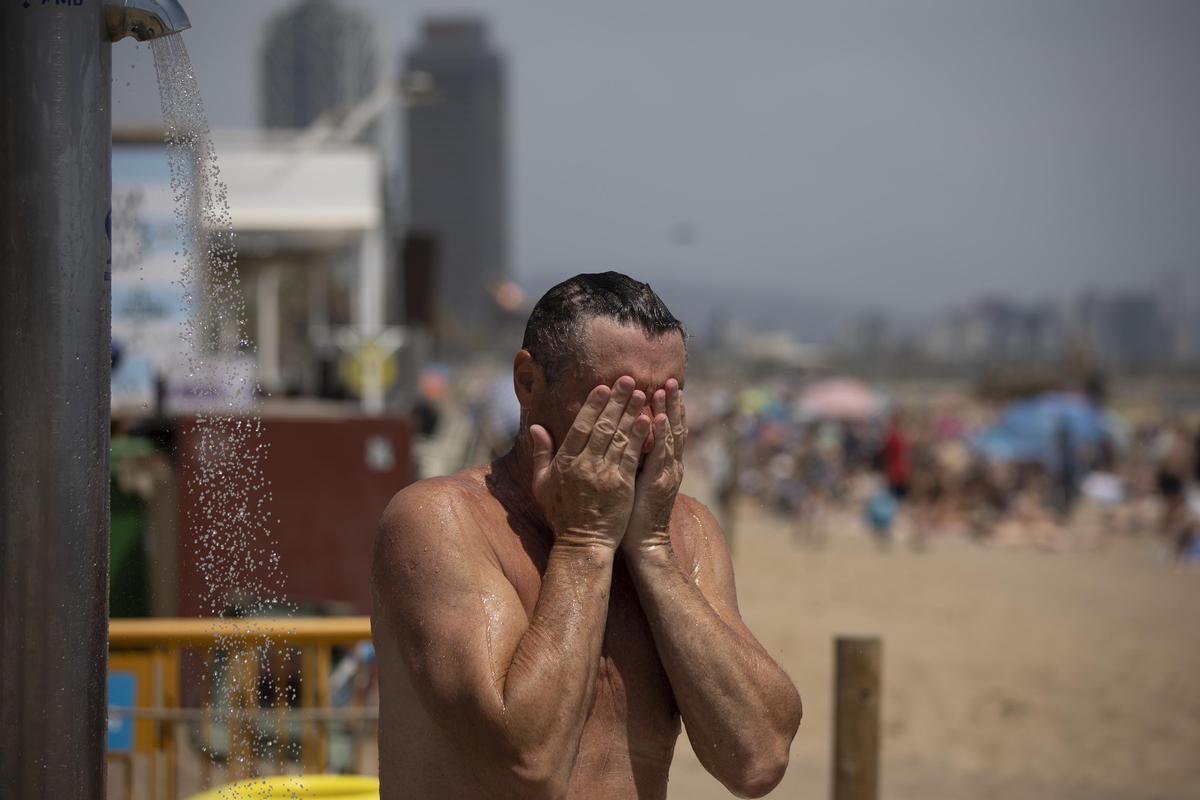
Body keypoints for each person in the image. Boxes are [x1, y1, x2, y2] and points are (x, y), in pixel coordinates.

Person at [371, 273, 802, 799]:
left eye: (665, 401)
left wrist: (652, 553)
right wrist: (585, 544)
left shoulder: (685, 531)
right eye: (615, 401)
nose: (641, 427)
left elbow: (758, 759)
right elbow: (527, 766)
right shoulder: (440, 521)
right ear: (528, 383)